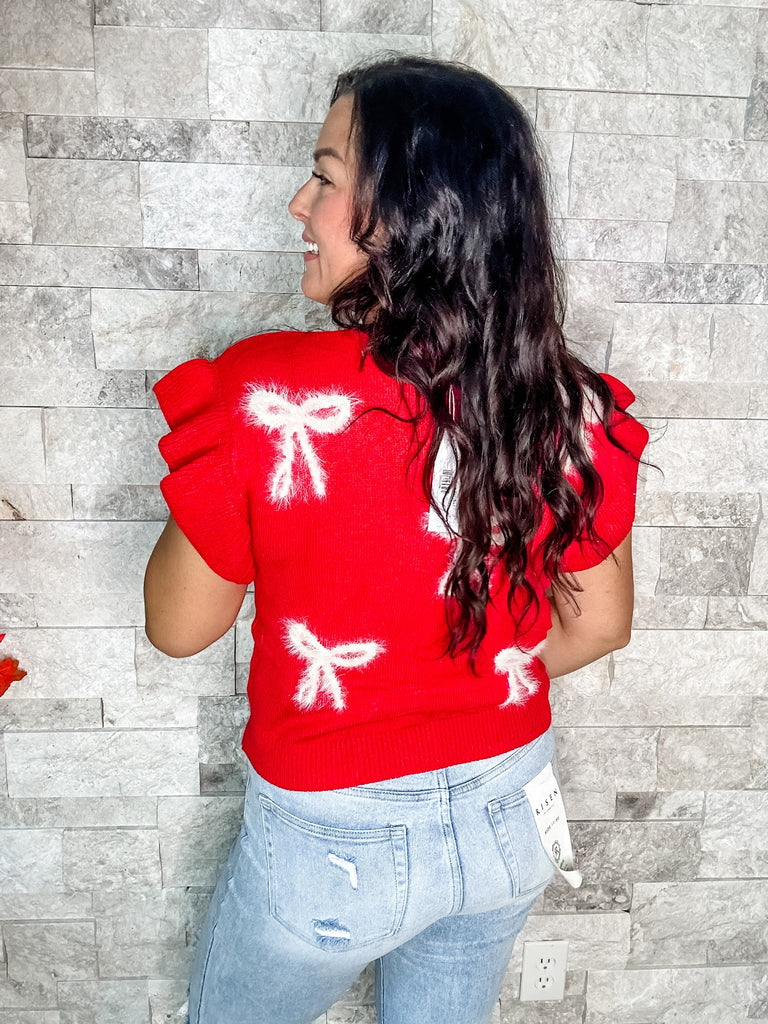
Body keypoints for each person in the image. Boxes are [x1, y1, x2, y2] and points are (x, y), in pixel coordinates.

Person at [144, 55, 648, 1024]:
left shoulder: (259, 393)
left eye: (327, 177)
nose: (299, 202)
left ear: (405, 212)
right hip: (513, 812)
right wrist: (461, 672)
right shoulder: (563, 400)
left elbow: (179, 626)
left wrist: (218, 477)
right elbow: (602, 625)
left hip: (331, 843)